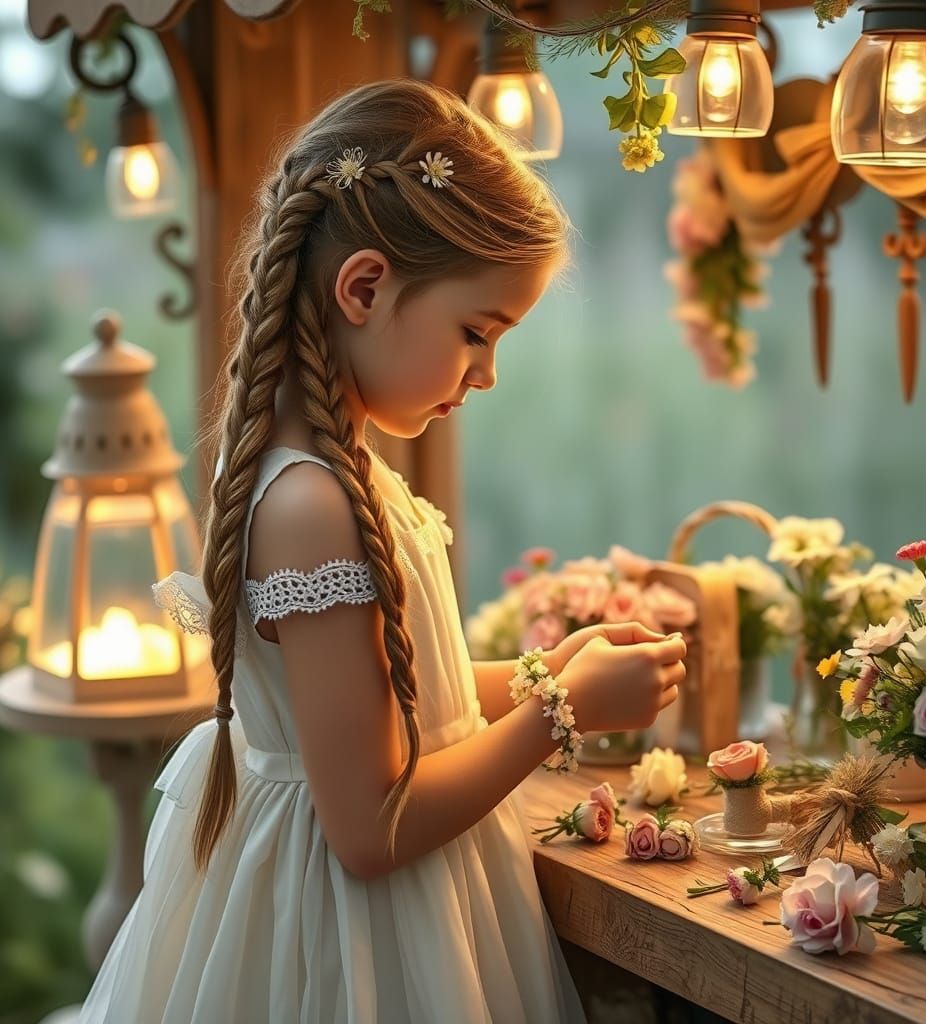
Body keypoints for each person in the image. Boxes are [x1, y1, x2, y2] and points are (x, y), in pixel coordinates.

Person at [79, 79, 685, 1023]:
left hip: (413, 903)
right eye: (476, 332)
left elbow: (407, 703)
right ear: (363, 287)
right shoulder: (311, 503)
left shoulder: (341, 472)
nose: (485, 373)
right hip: (350, 942)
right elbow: (369, 827)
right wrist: (560, 715)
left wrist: (541, 674)